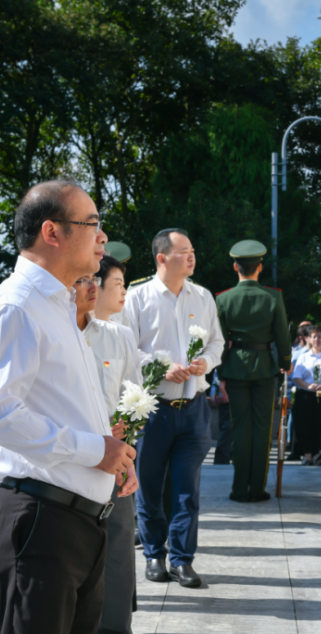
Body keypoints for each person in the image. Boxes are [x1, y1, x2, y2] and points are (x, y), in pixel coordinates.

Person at [0, 179, 139, 634]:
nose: (102, 237)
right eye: (92, 225)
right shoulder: (15, 307)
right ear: (52, 232)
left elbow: (61, 408)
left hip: (77, 524)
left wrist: (112, 461)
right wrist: (94, 450)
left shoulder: (60, 306)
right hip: (38, 525)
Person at [124, 228, 224, 587]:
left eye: (192, 250)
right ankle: (154, 555)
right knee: (149, 488)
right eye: (183, 251)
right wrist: (159, 368)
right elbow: (128, 351)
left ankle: (182, 559)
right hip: (154, 410)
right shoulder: (137, 299)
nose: (192, 256)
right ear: (162, 258)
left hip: (194, 408)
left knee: (187, 491)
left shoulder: (203, 297)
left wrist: (206, 363)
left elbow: (216, 342)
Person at [73, 260, 158, 634]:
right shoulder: (59, 334)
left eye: (95, 279)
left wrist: (128, 453)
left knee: (120, 551)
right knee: (69, 557)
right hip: (67, 465)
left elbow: (134, 399)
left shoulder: (119, 337)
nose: (90, 286)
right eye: (84, 279)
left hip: (114, 464)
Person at [215, 240, 292, 502]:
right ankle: (256, 489)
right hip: (264, 368)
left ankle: (239, 489)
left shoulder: (223, 299)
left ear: (236, 266)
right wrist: (285, 362)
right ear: (259, 267)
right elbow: (282, 334)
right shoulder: (273, 296)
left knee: (240, 429)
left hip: (235, 368)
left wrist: (222, 374)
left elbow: (221, 342)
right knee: (262, 430)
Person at [291, 325, 321, 465]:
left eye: (320, 336)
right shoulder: (303, 357)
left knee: (319, 426)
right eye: (314, 337)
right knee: (305, 426)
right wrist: (308, 386)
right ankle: (307, 457)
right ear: (309, 339)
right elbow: (297, 377)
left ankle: (319, 455)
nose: (317, 339)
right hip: (306, 396)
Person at [286, 322, 312, 458]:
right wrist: (289, 396)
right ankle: (295, 450)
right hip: (299, 393)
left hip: (314, 394)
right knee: (296, 421)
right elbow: (290, 378)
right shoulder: (297, 354)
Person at [208, 368, 232, 464]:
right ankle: (221, 465)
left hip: (238, 396)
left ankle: (221, 463)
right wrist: (214, 392)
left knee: (228, 432)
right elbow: (218, 371)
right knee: (225, 430)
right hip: (223, 400)